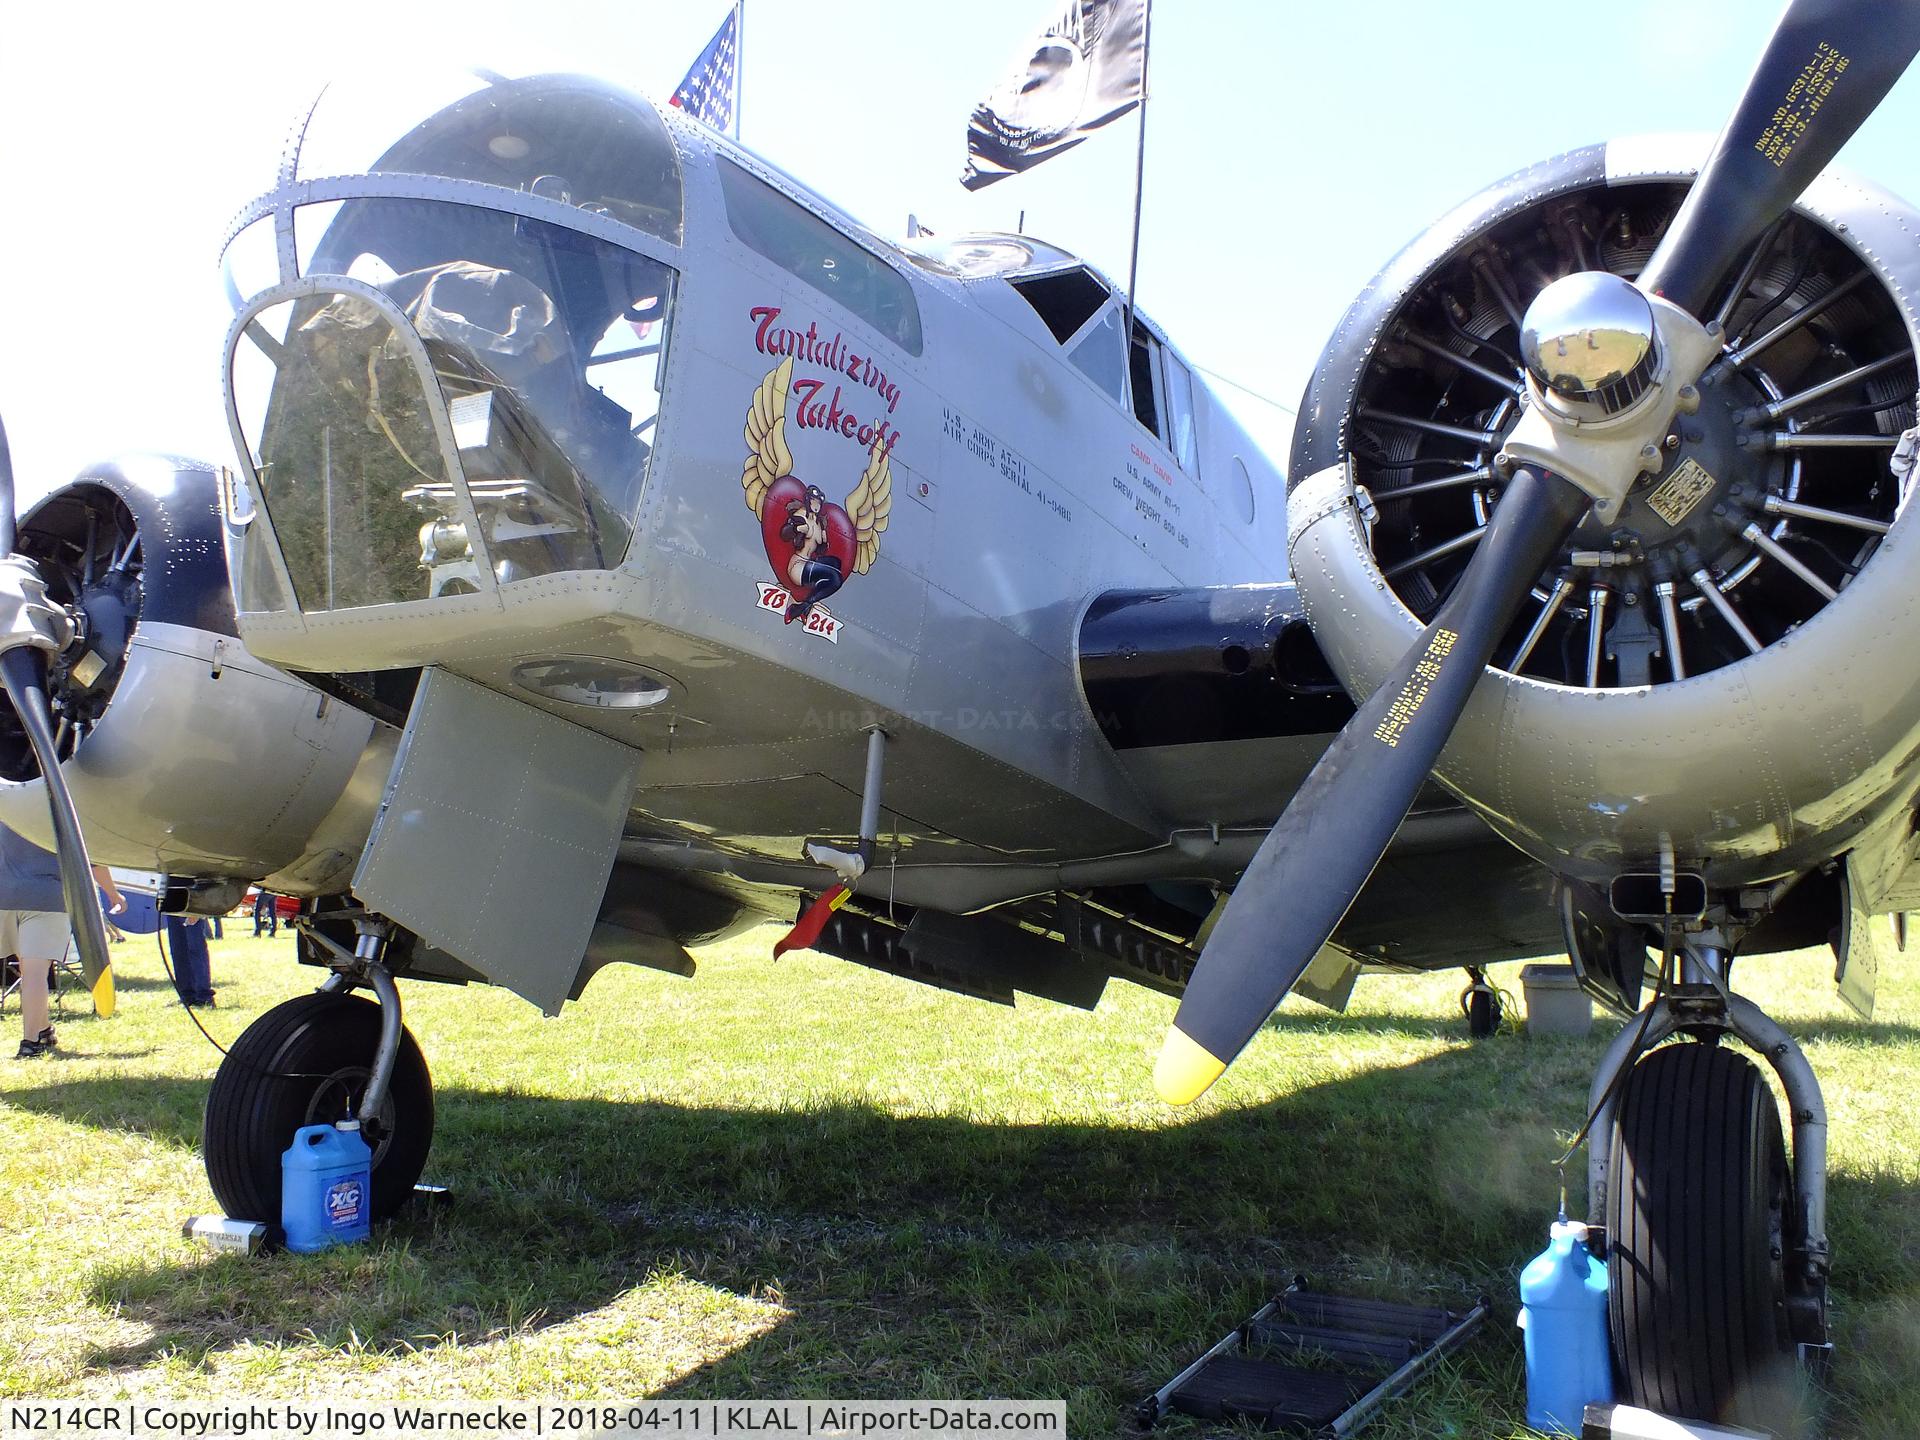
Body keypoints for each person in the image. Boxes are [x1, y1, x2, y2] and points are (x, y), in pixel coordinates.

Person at [4, 824, 125, 1060]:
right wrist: (113, 893)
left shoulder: (8, 806)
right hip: (46, 897)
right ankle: (30, 1043)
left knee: (28, 971)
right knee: (35, 974)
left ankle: (43, 1031)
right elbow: (91, 859)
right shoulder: (52, 810)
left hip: (6, 897)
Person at [164, 913, 215, 1008]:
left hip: (192, 905)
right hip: (172, 906)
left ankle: (204, 997)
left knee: (196, 950)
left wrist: (198, 911)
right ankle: (187, 996)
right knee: (178, 951)